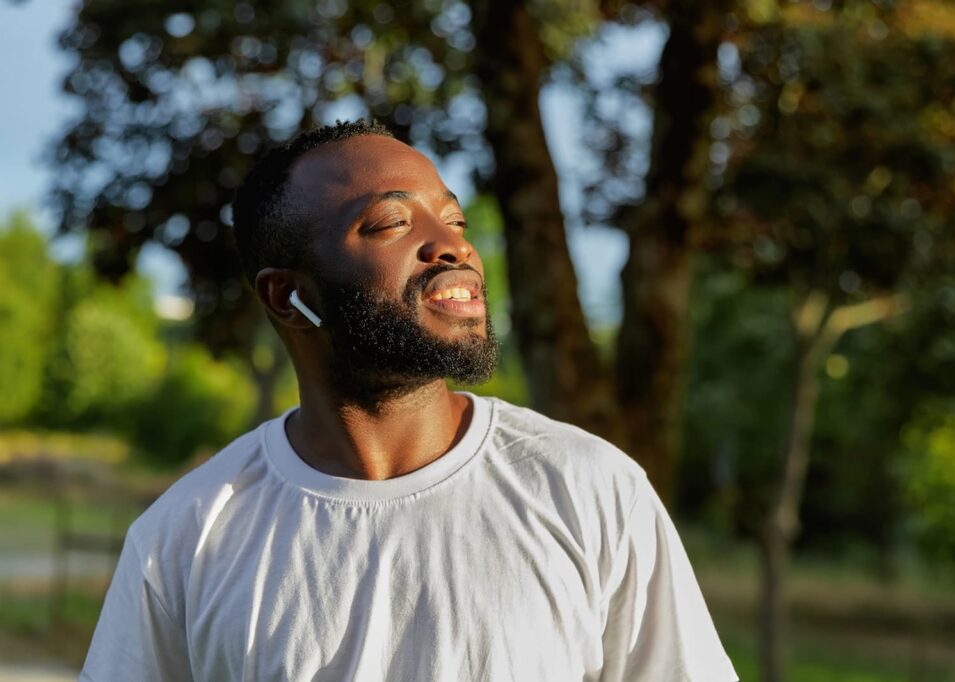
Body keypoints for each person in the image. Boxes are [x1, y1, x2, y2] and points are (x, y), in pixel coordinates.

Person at [81, 120, 738, 681]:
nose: (454, 245)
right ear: (287, 296)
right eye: (391, 222)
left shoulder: (590, 490)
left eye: (454, 218)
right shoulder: (186, 539)